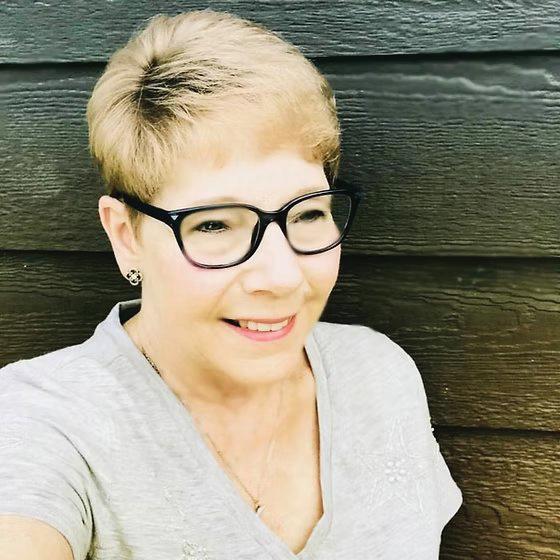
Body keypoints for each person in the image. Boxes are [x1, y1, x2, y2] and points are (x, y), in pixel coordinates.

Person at [0, 9, 462, 560]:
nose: (282, 276)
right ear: (126, 234)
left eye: (308, 214)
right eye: (215, 225)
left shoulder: (377, 375)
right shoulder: (42, 419)